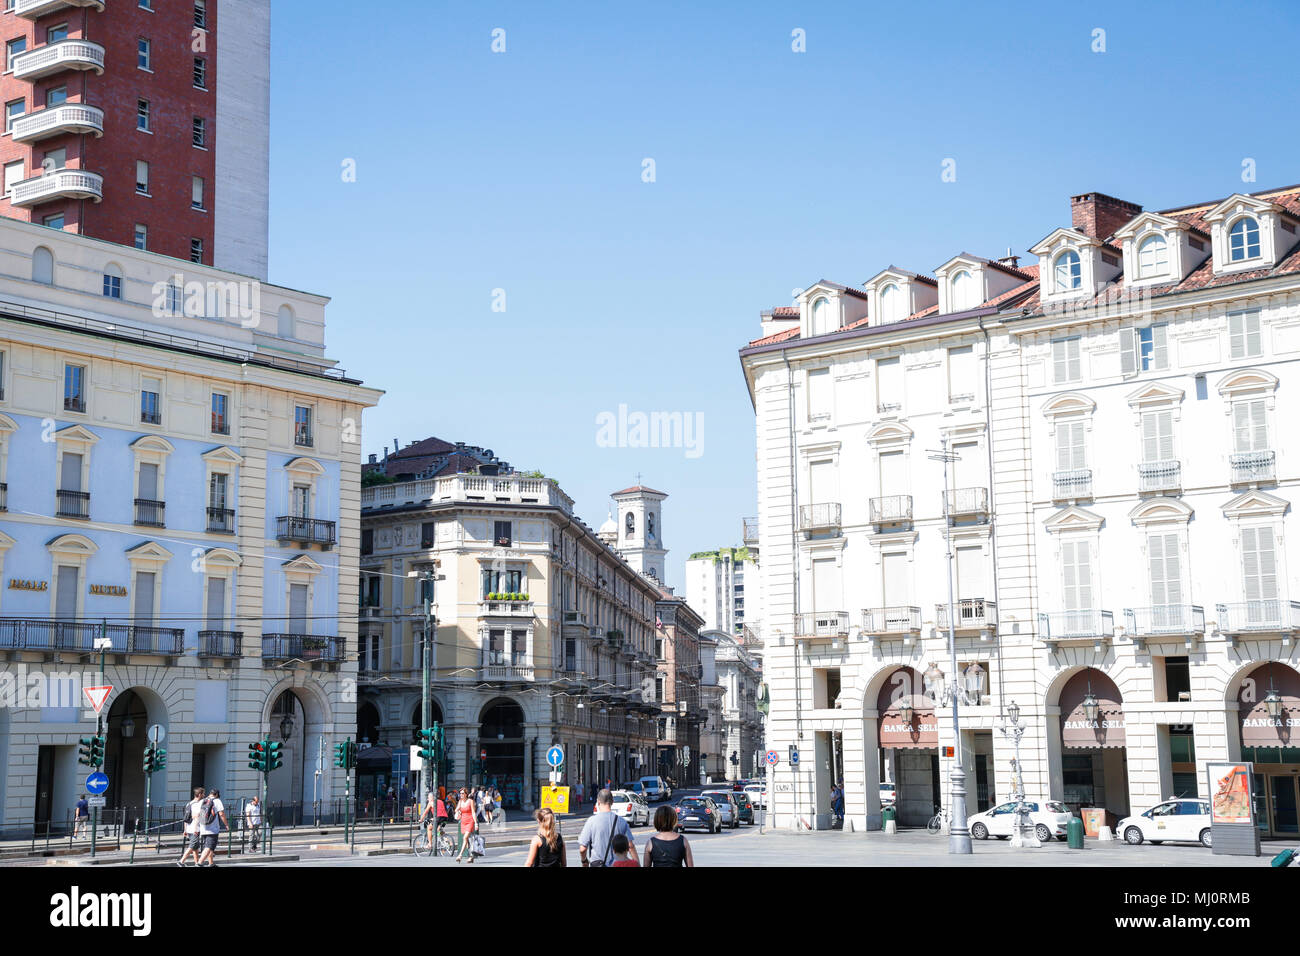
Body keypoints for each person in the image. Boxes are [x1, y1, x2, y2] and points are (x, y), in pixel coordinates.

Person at [578, 789, 633, 867]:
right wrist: (636, 862)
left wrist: (584, 861)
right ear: (612, 802)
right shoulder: (621, 821)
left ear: (598, 802)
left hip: (597, 864)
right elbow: (630, 846)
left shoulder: (591, 821)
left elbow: (582, 849)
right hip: (617, 864)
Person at [197, 788, 228, 867]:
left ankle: (211, 863)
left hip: (203, 827)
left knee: (208, 846)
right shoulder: (217, 801)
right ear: (216, 794)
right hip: (212, 829)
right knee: (209, 847)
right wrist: (226, 825)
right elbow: (221, 814)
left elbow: (198, 815)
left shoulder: (202, 801)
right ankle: (199, 863)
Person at [178, 786, 206, 866]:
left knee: (195, 848)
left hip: (189, 828)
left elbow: (185, 819)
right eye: (203, 793)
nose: (204, 795)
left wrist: (185, 830)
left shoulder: (189, 803)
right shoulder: (199, 804)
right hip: (195, 829)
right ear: (200, 794)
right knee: (193, 845)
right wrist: (196, 829)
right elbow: (199, 817)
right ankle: (181, 861)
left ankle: (197, 863)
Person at [455, 788, 477, 863]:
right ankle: (471, 856)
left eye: (462, 793)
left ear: (466, 794)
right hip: (463, 822)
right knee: (467, 840)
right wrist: (458, 811)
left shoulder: (470, 801)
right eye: (460, 793)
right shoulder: (460, 802)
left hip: (470, 821)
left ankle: (460, 855)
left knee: (465, 837)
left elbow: (473, 812)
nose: (461, 795)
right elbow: (456, 809)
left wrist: (476, 823)